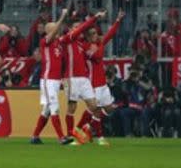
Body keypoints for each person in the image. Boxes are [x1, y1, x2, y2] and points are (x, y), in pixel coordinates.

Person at [74, 10, 124, 145]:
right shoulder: (85, 48)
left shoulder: (98, 44)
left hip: (102, 84)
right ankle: (90, 133)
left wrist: (118, 20)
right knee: (94, 110)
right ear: (88, 36)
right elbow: (98, 56)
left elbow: (110, 34)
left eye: (96, 33)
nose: (96, 35)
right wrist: (101, 44)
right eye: (93, 34)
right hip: (93, 85)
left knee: (108, 109)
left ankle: (88, 127)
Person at [62, 10, 107, 144]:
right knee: (72, 107)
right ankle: (70, 135)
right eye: (75, 27)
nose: (78, 29)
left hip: (84, 79)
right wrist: (94, 17)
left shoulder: (81, 43)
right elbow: (83, 28)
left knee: (94, 106)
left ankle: (87, 128)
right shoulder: (68, 39)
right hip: (71, 78)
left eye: (78, 27)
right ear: (70, 29)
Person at [30, 9, 73, 145]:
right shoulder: (45, 41)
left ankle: (35, 136)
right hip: (48, 80)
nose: (57, 30)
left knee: (47, 110)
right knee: (54, 107)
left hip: (55, 80)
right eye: (54, 28)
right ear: (49, 31)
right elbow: (54, 32)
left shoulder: (58, 44)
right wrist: (62, 16)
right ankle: (61, 137)